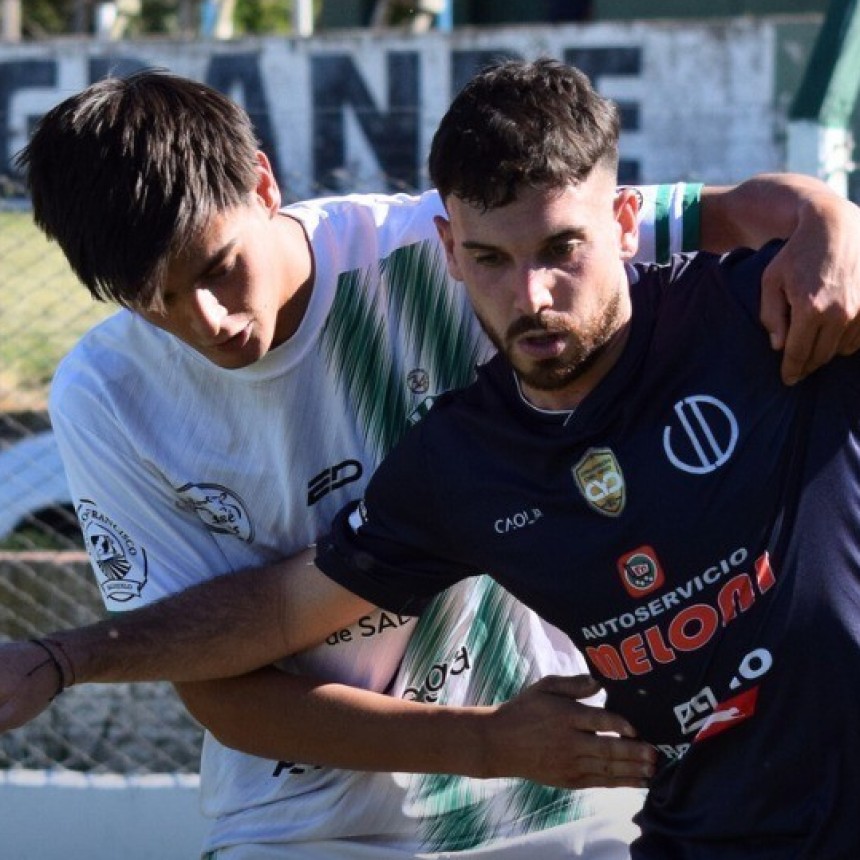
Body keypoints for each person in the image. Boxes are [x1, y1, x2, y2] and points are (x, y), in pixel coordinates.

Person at [3, 67, 860, 858]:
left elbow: (735, 212)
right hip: (306, 824)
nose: (208, 320)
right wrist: (482, 743)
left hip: (561, 781)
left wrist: (831, 218)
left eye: (221, 268)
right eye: (153, 301)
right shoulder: (107, 397)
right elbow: (234, 665)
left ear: (263, 184)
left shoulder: (472, 242)